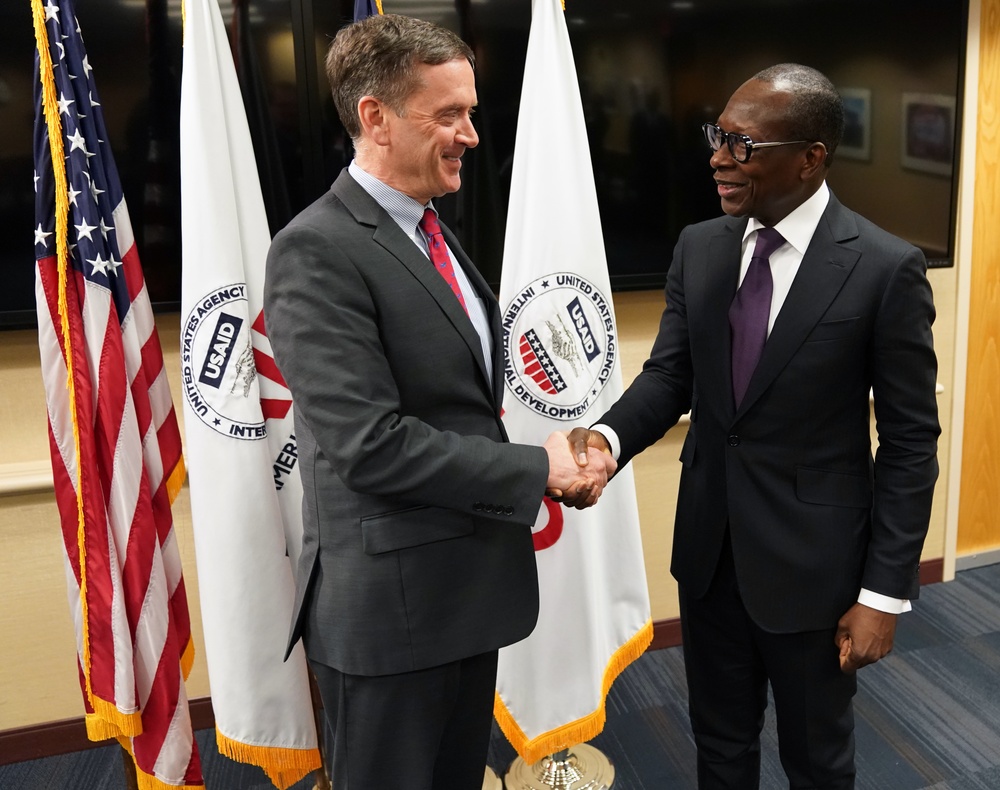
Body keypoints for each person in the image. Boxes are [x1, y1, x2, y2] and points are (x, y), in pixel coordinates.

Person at [561, 64, 940, 788]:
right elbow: (672, 376)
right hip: (709, 561)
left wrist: (883, 593)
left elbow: (910, 442)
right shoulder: (700, 247)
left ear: (810, 158)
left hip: (816, 575)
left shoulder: (885, 270)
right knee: (719, 747)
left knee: (817, 760)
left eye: (742, 144)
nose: (718, 157)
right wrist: (604, 442)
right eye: (718, 136)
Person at [262, 14, 614, 790]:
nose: (471, 135)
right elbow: (370, 443)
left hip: (463, 594)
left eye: (472, 112)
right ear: (375, 118)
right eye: (449, 114)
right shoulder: (315, 249)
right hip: (391, 618)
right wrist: (538, 471)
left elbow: (454, 404)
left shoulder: (430, 230)